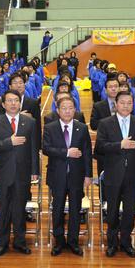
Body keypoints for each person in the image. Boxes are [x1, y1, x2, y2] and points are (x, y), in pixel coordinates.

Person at [0, 90, 39, 257]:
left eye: (16, 100)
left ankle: (20, 242)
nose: (13, 103)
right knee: (4, 209)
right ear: (3, 104)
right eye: (10, 100)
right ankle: (2, 243)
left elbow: (33, 149)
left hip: (23, 174)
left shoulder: (29, 122)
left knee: (19, 208)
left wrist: (35, 171)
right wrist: (9, 142)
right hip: (3, 173)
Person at [95, 91, 135, 258]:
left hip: (133, 175)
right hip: (112, 174)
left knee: (130, 211)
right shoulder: (105, 123)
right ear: (115, 105)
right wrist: (120, 145)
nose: (126, 106)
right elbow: (99, 148)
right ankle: (112, 243)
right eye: (122, 103)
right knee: (112, 211)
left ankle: (126, 242)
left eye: (129, 103)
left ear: (133, 105)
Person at [42, 96, 92, 256]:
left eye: (70, 108)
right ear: (58, 110)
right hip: (57, 176)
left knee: (75, 210)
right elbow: (46, 149)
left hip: (77, 176)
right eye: (64, 108)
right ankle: (58, 241)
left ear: (75, 110)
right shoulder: (50, 127)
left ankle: (73, 241)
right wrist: (66, 153)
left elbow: (87, 153)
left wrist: (88, 175)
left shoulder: (81, 128)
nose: (67, 111)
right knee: (57, 209)